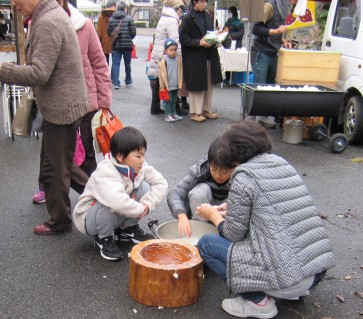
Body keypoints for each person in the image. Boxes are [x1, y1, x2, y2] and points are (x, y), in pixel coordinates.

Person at [196, 120, 335, 319]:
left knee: (207, 245)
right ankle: (290, 291)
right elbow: (272, 210)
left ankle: (258, 302)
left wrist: (213, 215)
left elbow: (233, 234)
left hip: (288, 279)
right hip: (315, 272)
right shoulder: (281, 163)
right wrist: (233, 208)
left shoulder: (244, 176)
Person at [0, 0, 90, 235]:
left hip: (62, 108)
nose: (13, 3)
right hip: (63, 105)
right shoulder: (50, 15)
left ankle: (61, 221)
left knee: (56, 169)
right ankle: (102, 197)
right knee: (61, 164)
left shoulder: (48, 21)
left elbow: (39, 72)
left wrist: (0, 70)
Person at [31, 0, 112, 204]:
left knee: (84, 151)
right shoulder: (39, 22)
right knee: (51, 152)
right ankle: (49, 188)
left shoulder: (83, 25)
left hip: (84, 100)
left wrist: (103, 100)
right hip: (53, 99)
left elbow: (99, 63)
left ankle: (96, 198)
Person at [73, 127, 168, 261]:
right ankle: (103, 237)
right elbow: (117, 201)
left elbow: (161, 182)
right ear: (120, 156)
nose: (142, 160)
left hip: (115, 211)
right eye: (138, 156)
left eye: (143, 155)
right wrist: (139, 209)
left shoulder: (140, 166)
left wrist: (148, 204)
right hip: (90, 220)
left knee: (144, 187)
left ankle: (126, 229)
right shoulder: (105, 172)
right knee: (107, 201)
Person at [167, 137, 232, 237]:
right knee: (199, 191)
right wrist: (181, 215)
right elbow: (175, 193)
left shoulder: (241, 178)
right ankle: (198, 230)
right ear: (209, 162)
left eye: (224, 172)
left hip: (226, 218)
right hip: (202, 215)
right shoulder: (200, 171)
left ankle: (222, 234)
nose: (218, 175)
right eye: (214, 169)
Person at [178, 0, 223, 122]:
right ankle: (195, 112)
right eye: (202, 1)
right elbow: (183, 39)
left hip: (208, 54)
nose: (204, 4)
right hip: (195, 56)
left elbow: (209, 32)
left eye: (205, 1)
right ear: (194, 2)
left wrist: (216, 37)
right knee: (197, 85)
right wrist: (199, 42)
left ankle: (206, 109)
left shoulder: (207, 15)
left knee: (208, 82)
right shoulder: (187, 18)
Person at [146, 0, 184, 115]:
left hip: (158, 52)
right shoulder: (172, 21)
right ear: (176, 9)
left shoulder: (163, 18)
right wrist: (180, 56)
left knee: (158, 80)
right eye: (180, 10)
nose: (181, 13)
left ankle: (155, 106)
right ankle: (174, 108)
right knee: (171, 82)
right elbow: (175, 41)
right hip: (167, 55)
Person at [107, 1, 136, 89]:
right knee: (127, 63)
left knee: (116, 63)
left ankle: (116, 82)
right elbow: (133, 32)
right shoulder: (129, 18)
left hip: (116, 45)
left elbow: (109, 32)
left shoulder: (111, 19)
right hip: (127, 45)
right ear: (124, 8)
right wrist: (128, 37)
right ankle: (128, 80)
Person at [158, 39, 183, 123]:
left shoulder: (178, 59)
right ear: (165, 50)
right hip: (167, 85)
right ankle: (168, 114)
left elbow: (180, 72)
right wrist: (162, 86)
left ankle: (173, 113)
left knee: (174, 100)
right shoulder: (163, 60)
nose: (173, 52)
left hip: (175, 84)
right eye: (171, 50)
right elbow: (161, 75)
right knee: (168, 100)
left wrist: (180, 82)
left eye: (175, 50)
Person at [97, 0, 117, 65]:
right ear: (114, 5)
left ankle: (106, 74)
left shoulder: (101, 16)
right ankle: (114, 75)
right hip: (114, 40)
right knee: (115, 62)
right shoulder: (116, 15)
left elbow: (99, 31)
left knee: (105, 60)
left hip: (104, 41)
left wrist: (98, 41)